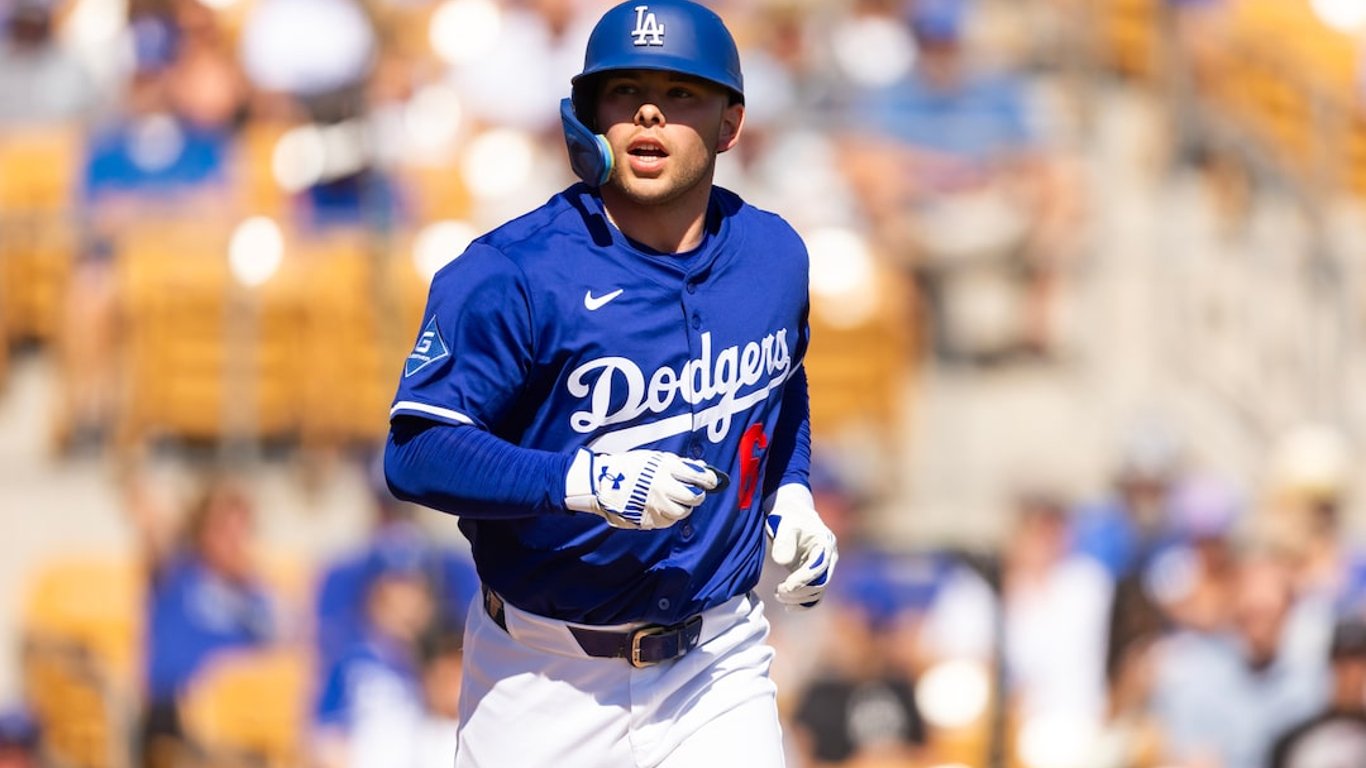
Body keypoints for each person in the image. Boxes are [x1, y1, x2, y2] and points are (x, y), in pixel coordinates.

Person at [383, 2, 838, 766]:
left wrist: (790, 491)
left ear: (730, 125)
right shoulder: (511, 271)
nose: (650, 111)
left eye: (681, 92)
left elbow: (779, 385)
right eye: (625, 91)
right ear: (589, 117)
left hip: (715, 665)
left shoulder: (773, 256)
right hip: (540, 675)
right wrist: (581, 482)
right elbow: (417, 452)